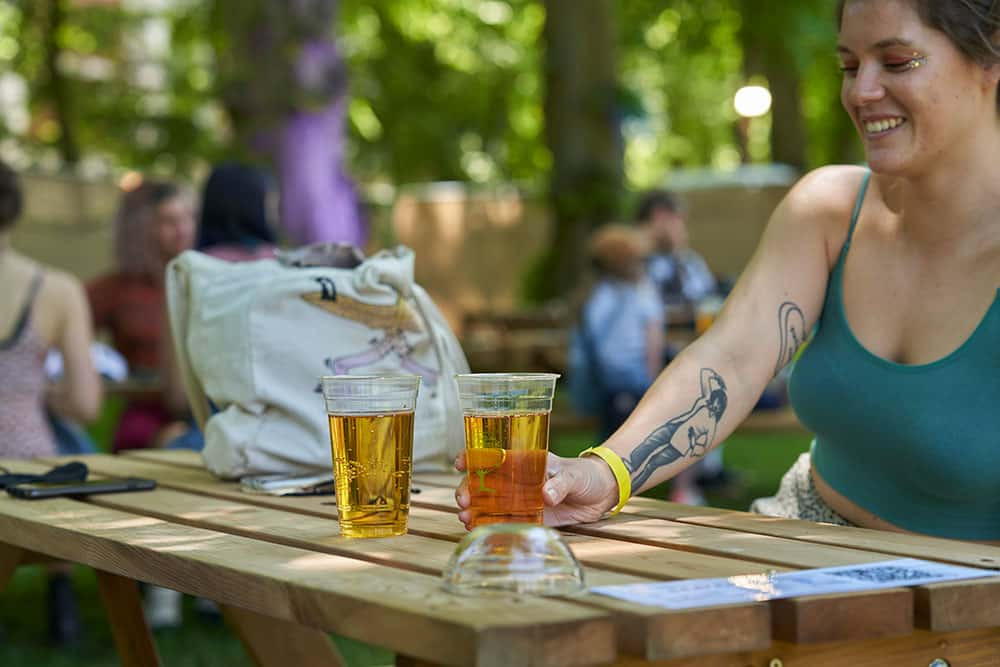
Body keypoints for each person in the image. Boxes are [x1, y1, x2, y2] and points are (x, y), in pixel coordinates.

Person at [458, 0, 1000, 541]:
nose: (861, 92)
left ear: (990, 59)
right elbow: (730, 360)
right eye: (850, 66)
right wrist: (602, 474)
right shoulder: (830, 209)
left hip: (963, 595)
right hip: (798, 543)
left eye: (898, 61)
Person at [0, 159, 102, 644]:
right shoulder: (56, 289)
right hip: (27, 466)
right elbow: (86, 405)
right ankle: (62, 601)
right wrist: (38, 391)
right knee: (66, 447)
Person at [636, 189, 736, 502]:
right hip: (643, 362)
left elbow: (707, 301)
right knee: (690, 388)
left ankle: (704, 472)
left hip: (685, 350)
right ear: (659, 219)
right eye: (677, 221)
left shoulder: (688, 262)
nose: (682, 229)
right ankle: (687, 484)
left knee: (711, 378)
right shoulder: (633, 264)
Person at [87, 179, 196, 453]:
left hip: (203, 409)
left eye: (188, 218)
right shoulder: (114, 289)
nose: (182, 230)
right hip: (147, 412)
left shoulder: (204, 280)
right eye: (168, 221)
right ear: (139, 228)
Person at [570, 225, 664, 440]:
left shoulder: (595, 295)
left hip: (596, 388)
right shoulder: (639, 294)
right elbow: (653, 347)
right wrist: (650, 388)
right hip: (625, 385)